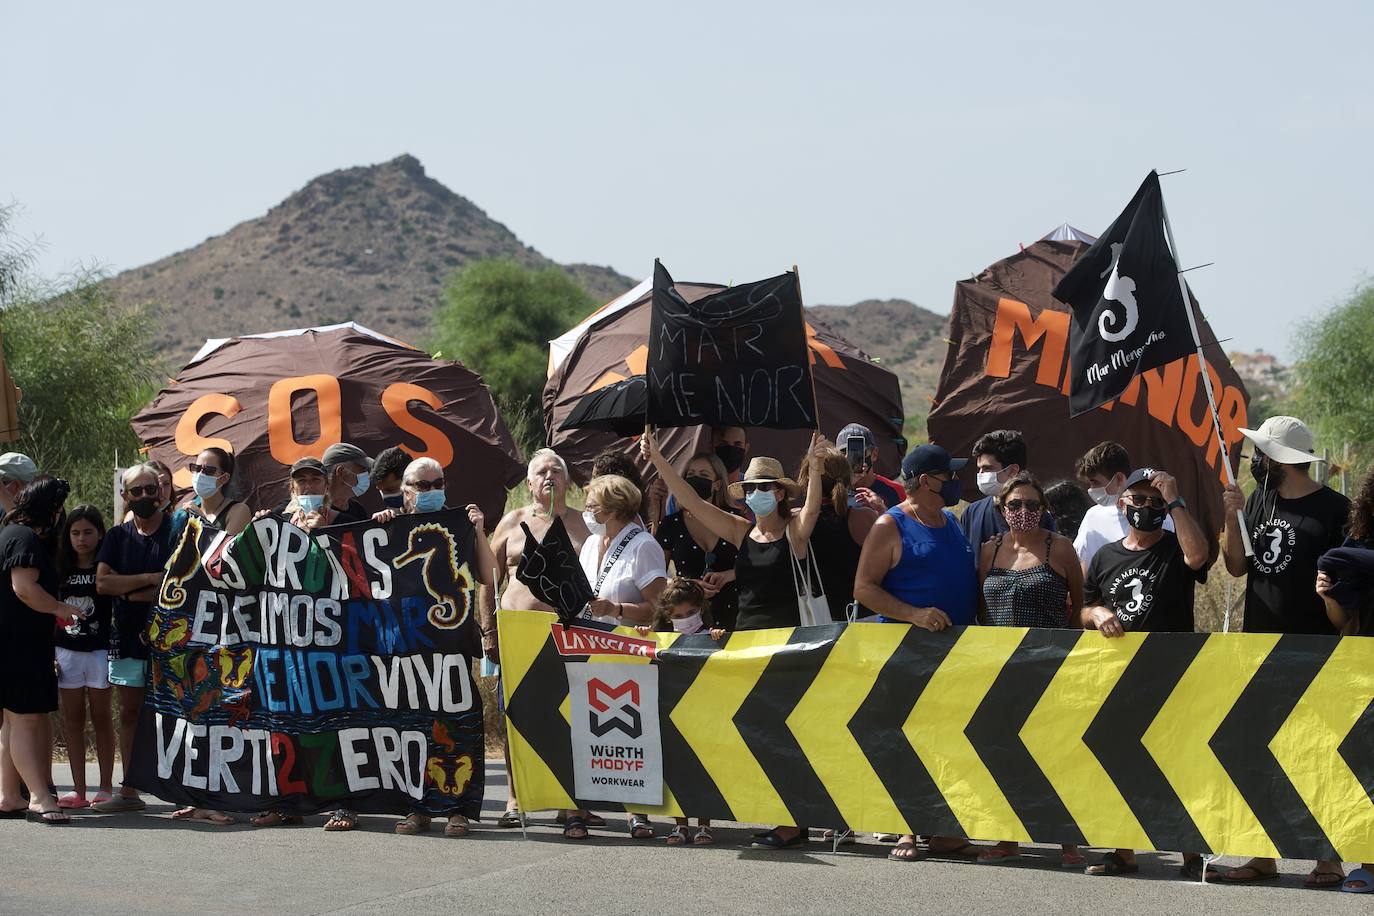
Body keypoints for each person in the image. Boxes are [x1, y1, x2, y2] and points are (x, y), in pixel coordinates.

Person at [644, 430, 824, 850]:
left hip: (788, 646)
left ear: (780, 494)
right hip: (747, 645)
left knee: (788, 734)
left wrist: (814, 468)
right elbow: (690, 501)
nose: (757, 494)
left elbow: (812, 510)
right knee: (761, 732)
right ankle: (784, 818)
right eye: (752, 488)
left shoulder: (793, 533)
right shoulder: (743, 532)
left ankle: (794, 822)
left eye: (766, 488)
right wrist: (657, 459)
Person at [1213, 416, 1350, 889]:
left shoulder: (1336, 510)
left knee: (1316, 755)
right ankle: (1260, 853)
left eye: (1262, 454)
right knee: (1254, 750)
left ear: (1281, 459)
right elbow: (1235, 567)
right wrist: (1232, 516)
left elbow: (1348, 586)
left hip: (1316, 649)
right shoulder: (1259, 499)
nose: (1255, 462)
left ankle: (1327, 858)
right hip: (1258, 648)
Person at [1079, 468, 1208, 879]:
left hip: (1171, 673)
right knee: (1121, 760)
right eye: (1140, 500)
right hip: (1117, 676)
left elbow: (1198, 557)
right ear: (1122, 504)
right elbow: (1083, 606)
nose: (1148, 508)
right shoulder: (1105, 556)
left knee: (1176, 761)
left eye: (1155, 502)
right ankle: (1123, 848)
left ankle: (1190, 851)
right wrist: (1096, 612)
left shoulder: (1174, 546)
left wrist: (1176, 500)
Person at [853, 443, 979, 862]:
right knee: (906, 740)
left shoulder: (952, 522)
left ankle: (941, 829)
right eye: (949, 475)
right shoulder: (891, 525)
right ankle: (905, 828)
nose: (956, 482)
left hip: (953, 655)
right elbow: (864, 589)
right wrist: (915, 615)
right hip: (905, 652)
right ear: (926, 481)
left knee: (942, 739)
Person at [975, 473, 1084, 867]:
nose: (1024, 512)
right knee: (1003, 752)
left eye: (1033, 505)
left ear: (1045, 509)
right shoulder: (989, 551)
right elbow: (982, 611)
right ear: (1002, 510)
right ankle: (1006, 837)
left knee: (1053, 751)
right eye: (1016, 505)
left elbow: (1077, 605)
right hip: (999, 670)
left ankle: (1066, 838)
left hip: (1048, 668)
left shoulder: (1062, 549)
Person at [391, 456, 495, 839]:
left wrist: (480, 530)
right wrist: (383, 524)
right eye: (424, 485)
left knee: (459, 724)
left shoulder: (458, 525)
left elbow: (486, 575)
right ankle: (418, 808)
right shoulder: (390, 526)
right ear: (405, 489)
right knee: (412, 729)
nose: (433, 491)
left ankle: (459, 809)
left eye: (439, 484)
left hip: (451, 648)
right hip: (405, 651)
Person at [489, 448, 591, 827]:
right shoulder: (511, 523)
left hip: (569, 637)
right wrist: (488, 633)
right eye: (541, 472)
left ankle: (571, 800)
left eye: (557, 470)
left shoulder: (585, 525)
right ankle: (515, 799)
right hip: (516, 638)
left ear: (567, 481)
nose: (549, 476)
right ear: (529, 483)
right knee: (513, 718)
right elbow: (488, 580)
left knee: (572, 718)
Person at [567, 472, 668, 842]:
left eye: (592, 504)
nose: (587, 510)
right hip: (587, 646)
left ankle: (637, 812)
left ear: (612, 508)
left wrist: (617, 609)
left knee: (628, 729)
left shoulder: (643, 546)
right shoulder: (591, 544)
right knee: (584, 728)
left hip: (627, 649)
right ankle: (578, 809)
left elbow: (660, 607)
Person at [92, 463, 174, 814]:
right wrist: (150, 578)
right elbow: (103, 584)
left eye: (149, 489)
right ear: (124, 496)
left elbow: (179, 587)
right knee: (129, 711)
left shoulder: (178, 531)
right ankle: (129, 791)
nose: (143, 497)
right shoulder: (116, 537)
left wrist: (131, 591)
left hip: (174, 638)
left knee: (177, 713)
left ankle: (184, 792)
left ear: (160, 492)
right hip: (127, 637)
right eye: (135, 491)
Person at [0, 476, 78, 824]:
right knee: (26, 720)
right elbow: (24, 589)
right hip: (18, 644)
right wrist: (60, 609)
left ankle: (8, 796)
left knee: (13, 723)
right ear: (53, 509)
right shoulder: (24, 537)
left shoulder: (12, 532)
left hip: (16, 642)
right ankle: (39, 797)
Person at [635, 577, 724, 846]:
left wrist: (718, 639)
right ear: (668, 616)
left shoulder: (710, 636)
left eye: (690, 613)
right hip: (669, 713)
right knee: (674, 772)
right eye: (678, 616)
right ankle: (680, 826)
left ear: (700, 609)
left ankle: (704, 825)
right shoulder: (662, 639)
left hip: (703, 714)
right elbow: (641, 655)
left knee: (702, 770)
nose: (685, 619)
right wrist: (640, 635)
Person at [53, 505, 116, 809]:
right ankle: (78, 791)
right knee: (72, 721)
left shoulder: (107, 566)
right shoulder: (58, 568)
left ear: (100, 533)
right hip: (66, 652)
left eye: (88, 532)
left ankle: (105, 787)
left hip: (99, 651)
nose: (81, 538)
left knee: (102, 718)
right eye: (75, 532)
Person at [654, 451, 740, 630]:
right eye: (690, 475)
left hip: (735, 615)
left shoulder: (734, 520)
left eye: (704, 475)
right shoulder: (671, 524)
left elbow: (755, 566)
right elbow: (656, 577)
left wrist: (729, 575)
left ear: (717, 484)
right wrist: (689, 584)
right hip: (688, 622)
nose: (695, 480)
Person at [796, 444, 879, 620]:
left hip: (819, 622)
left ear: (807, 479)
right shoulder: (864, 518)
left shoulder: (794, 522)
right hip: (864, 618)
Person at [1073, 441, 1174, 571]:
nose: (1091, 490)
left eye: (1095, 482)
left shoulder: (1157, 514)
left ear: (1119, 479)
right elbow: (1084, 569)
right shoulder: (1092, 517)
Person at [959, 430, 1055, 547]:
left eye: (987, 468)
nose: (981, 474)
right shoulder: (971, 513)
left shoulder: (1035, 514)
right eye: (979, 469)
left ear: (1012, 470)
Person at [180, 447, 251, 534]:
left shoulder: (239, 511)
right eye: (197, 468)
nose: (200, 475)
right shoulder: (187, 511)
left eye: (208, 470)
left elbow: (225, 547)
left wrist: (201, 519)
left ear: (224, 478)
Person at [837, 422, 903, 509]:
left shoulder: (895, 491)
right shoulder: (831, 491)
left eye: (858, 453)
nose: (851, 458)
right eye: (844, 453)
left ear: (874, 454)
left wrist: (881, 509)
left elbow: (906, 521)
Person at [322, 442, 374, 524]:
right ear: (341, 472)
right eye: (363, 470)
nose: (367, 474)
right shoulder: (319, 512)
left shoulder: (358, 509)